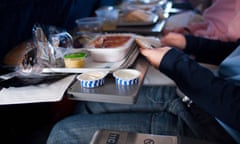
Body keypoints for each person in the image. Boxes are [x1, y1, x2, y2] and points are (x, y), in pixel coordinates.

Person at [47, 33, 240, 144]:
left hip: (217, 129)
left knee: (63, 133)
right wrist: (187, 42)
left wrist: (174, 63)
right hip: (206, 98)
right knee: (89, 104)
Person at [164, 0, 240, 42]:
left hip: (214, 47)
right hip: (202, 34)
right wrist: (189, 30)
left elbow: (228, 44)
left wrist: (187, 41)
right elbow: (210, 18)